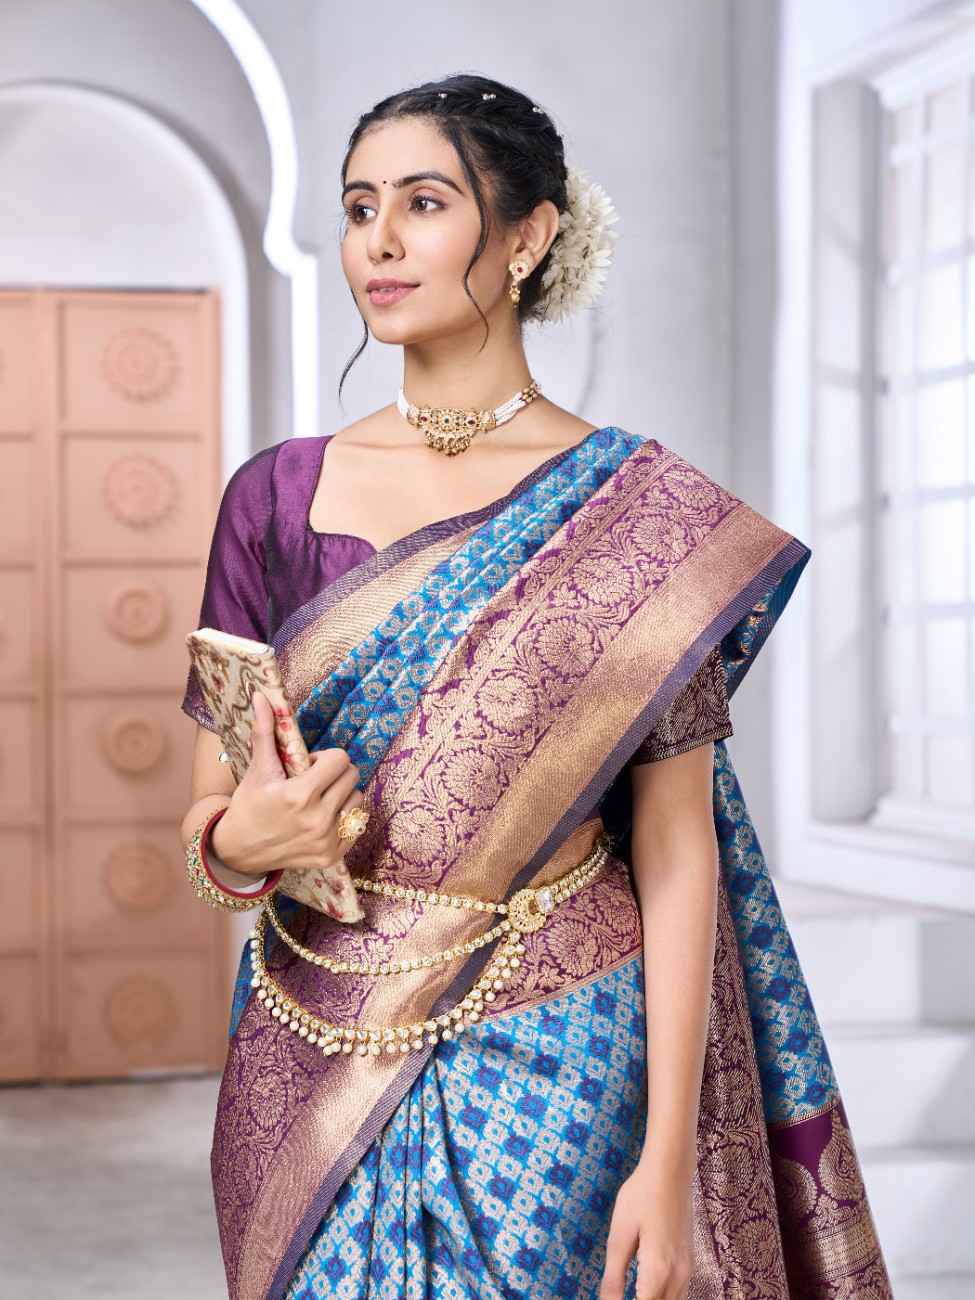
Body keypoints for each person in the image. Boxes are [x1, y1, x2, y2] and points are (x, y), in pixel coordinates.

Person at [179, 74, 893, 1300]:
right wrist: (246, 838)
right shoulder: (273, 499)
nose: (380, 242)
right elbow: (210, 824)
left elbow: (677, 851)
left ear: (529, 235)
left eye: (423, 202)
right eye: (359, 208)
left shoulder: (637, 516)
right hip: (307, 1038)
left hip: (560, 1042)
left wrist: (665, 1167)